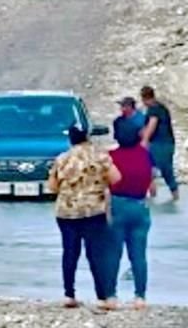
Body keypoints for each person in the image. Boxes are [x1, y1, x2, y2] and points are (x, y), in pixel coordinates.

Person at [47, 125, 122, 310]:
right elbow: (116, 178)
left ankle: (69, 294)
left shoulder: (62, 159)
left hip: (67, 212)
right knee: (96, 253)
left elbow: (52, 187)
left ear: (70, 139)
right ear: (87, 137)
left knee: (70, 252)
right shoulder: (101, 156)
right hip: (93, 211)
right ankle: (102, 296)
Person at [108, 117, 155, 310]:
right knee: (139, 255)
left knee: (112, 254)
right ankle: (140, 297)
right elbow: (153, 187)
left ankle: (111, 296)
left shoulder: (111, 156)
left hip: (117, 205)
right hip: (140, 206)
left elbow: (107, 183)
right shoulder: (145, 155)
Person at [140, 86, 179, 201]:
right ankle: (154, 197)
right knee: (149, 171)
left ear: (145, 98)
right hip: (167, 143)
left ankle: (170, 196)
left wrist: (144, 141)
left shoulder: (154, 109)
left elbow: (152, 125)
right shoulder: (161, 108)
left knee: (165, 170)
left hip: (161, 144)